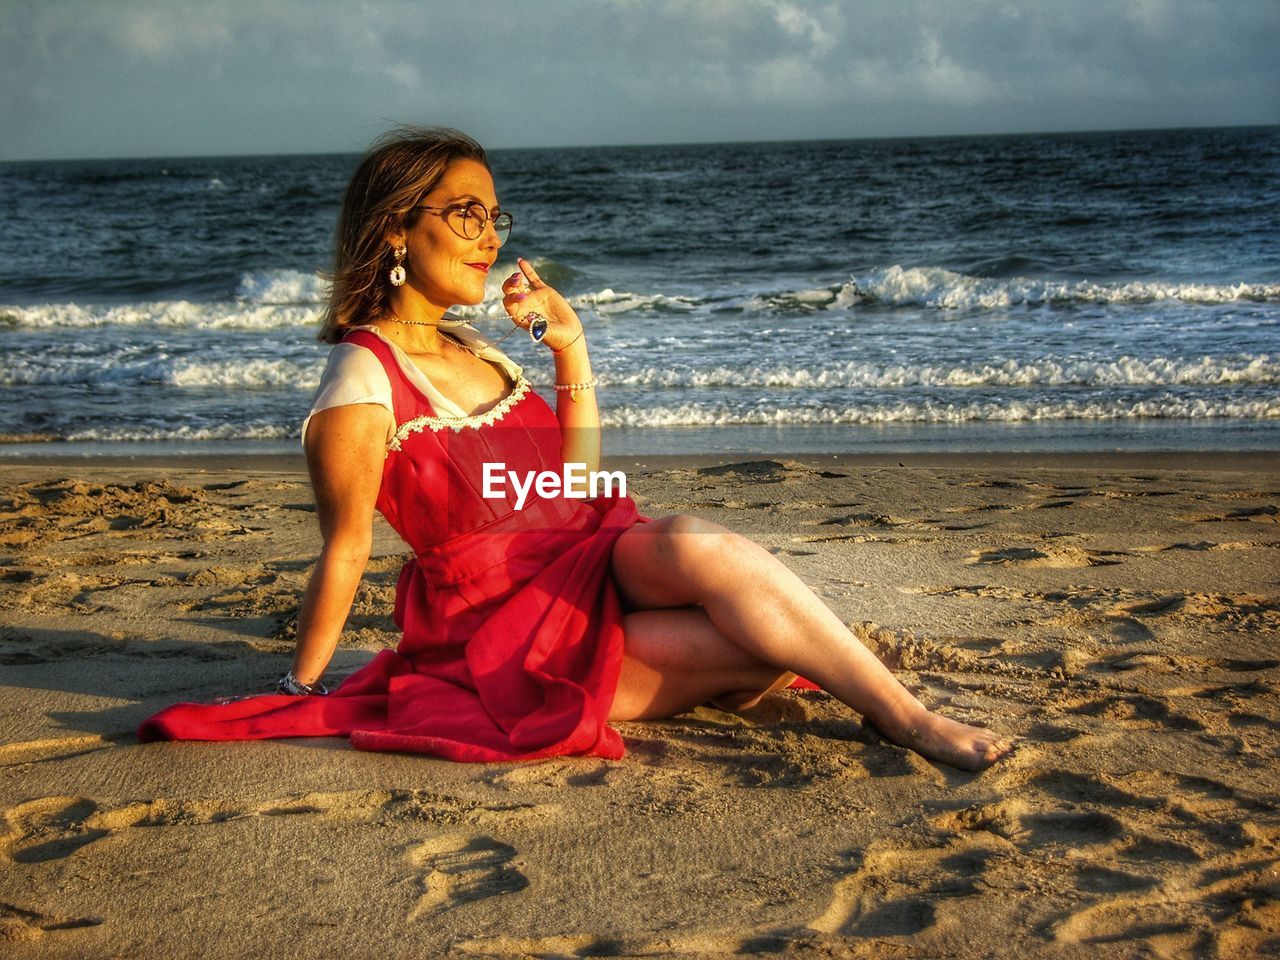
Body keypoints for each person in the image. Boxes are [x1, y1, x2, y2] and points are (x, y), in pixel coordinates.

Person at [139, 127, 1012, 771]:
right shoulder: (361, 378)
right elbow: (347, 547)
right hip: (499, 630)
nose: (491, 234)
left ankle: (902, 715)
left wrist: (570, 346)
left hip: (586, 556)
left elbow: (572, 483)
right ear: (397, 229)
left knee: (697, 546)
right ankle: (885, 710)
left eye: (494, 214)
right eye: (467, 213)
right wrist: (299, 691)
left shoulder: (476, 349)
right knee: (764, 641)